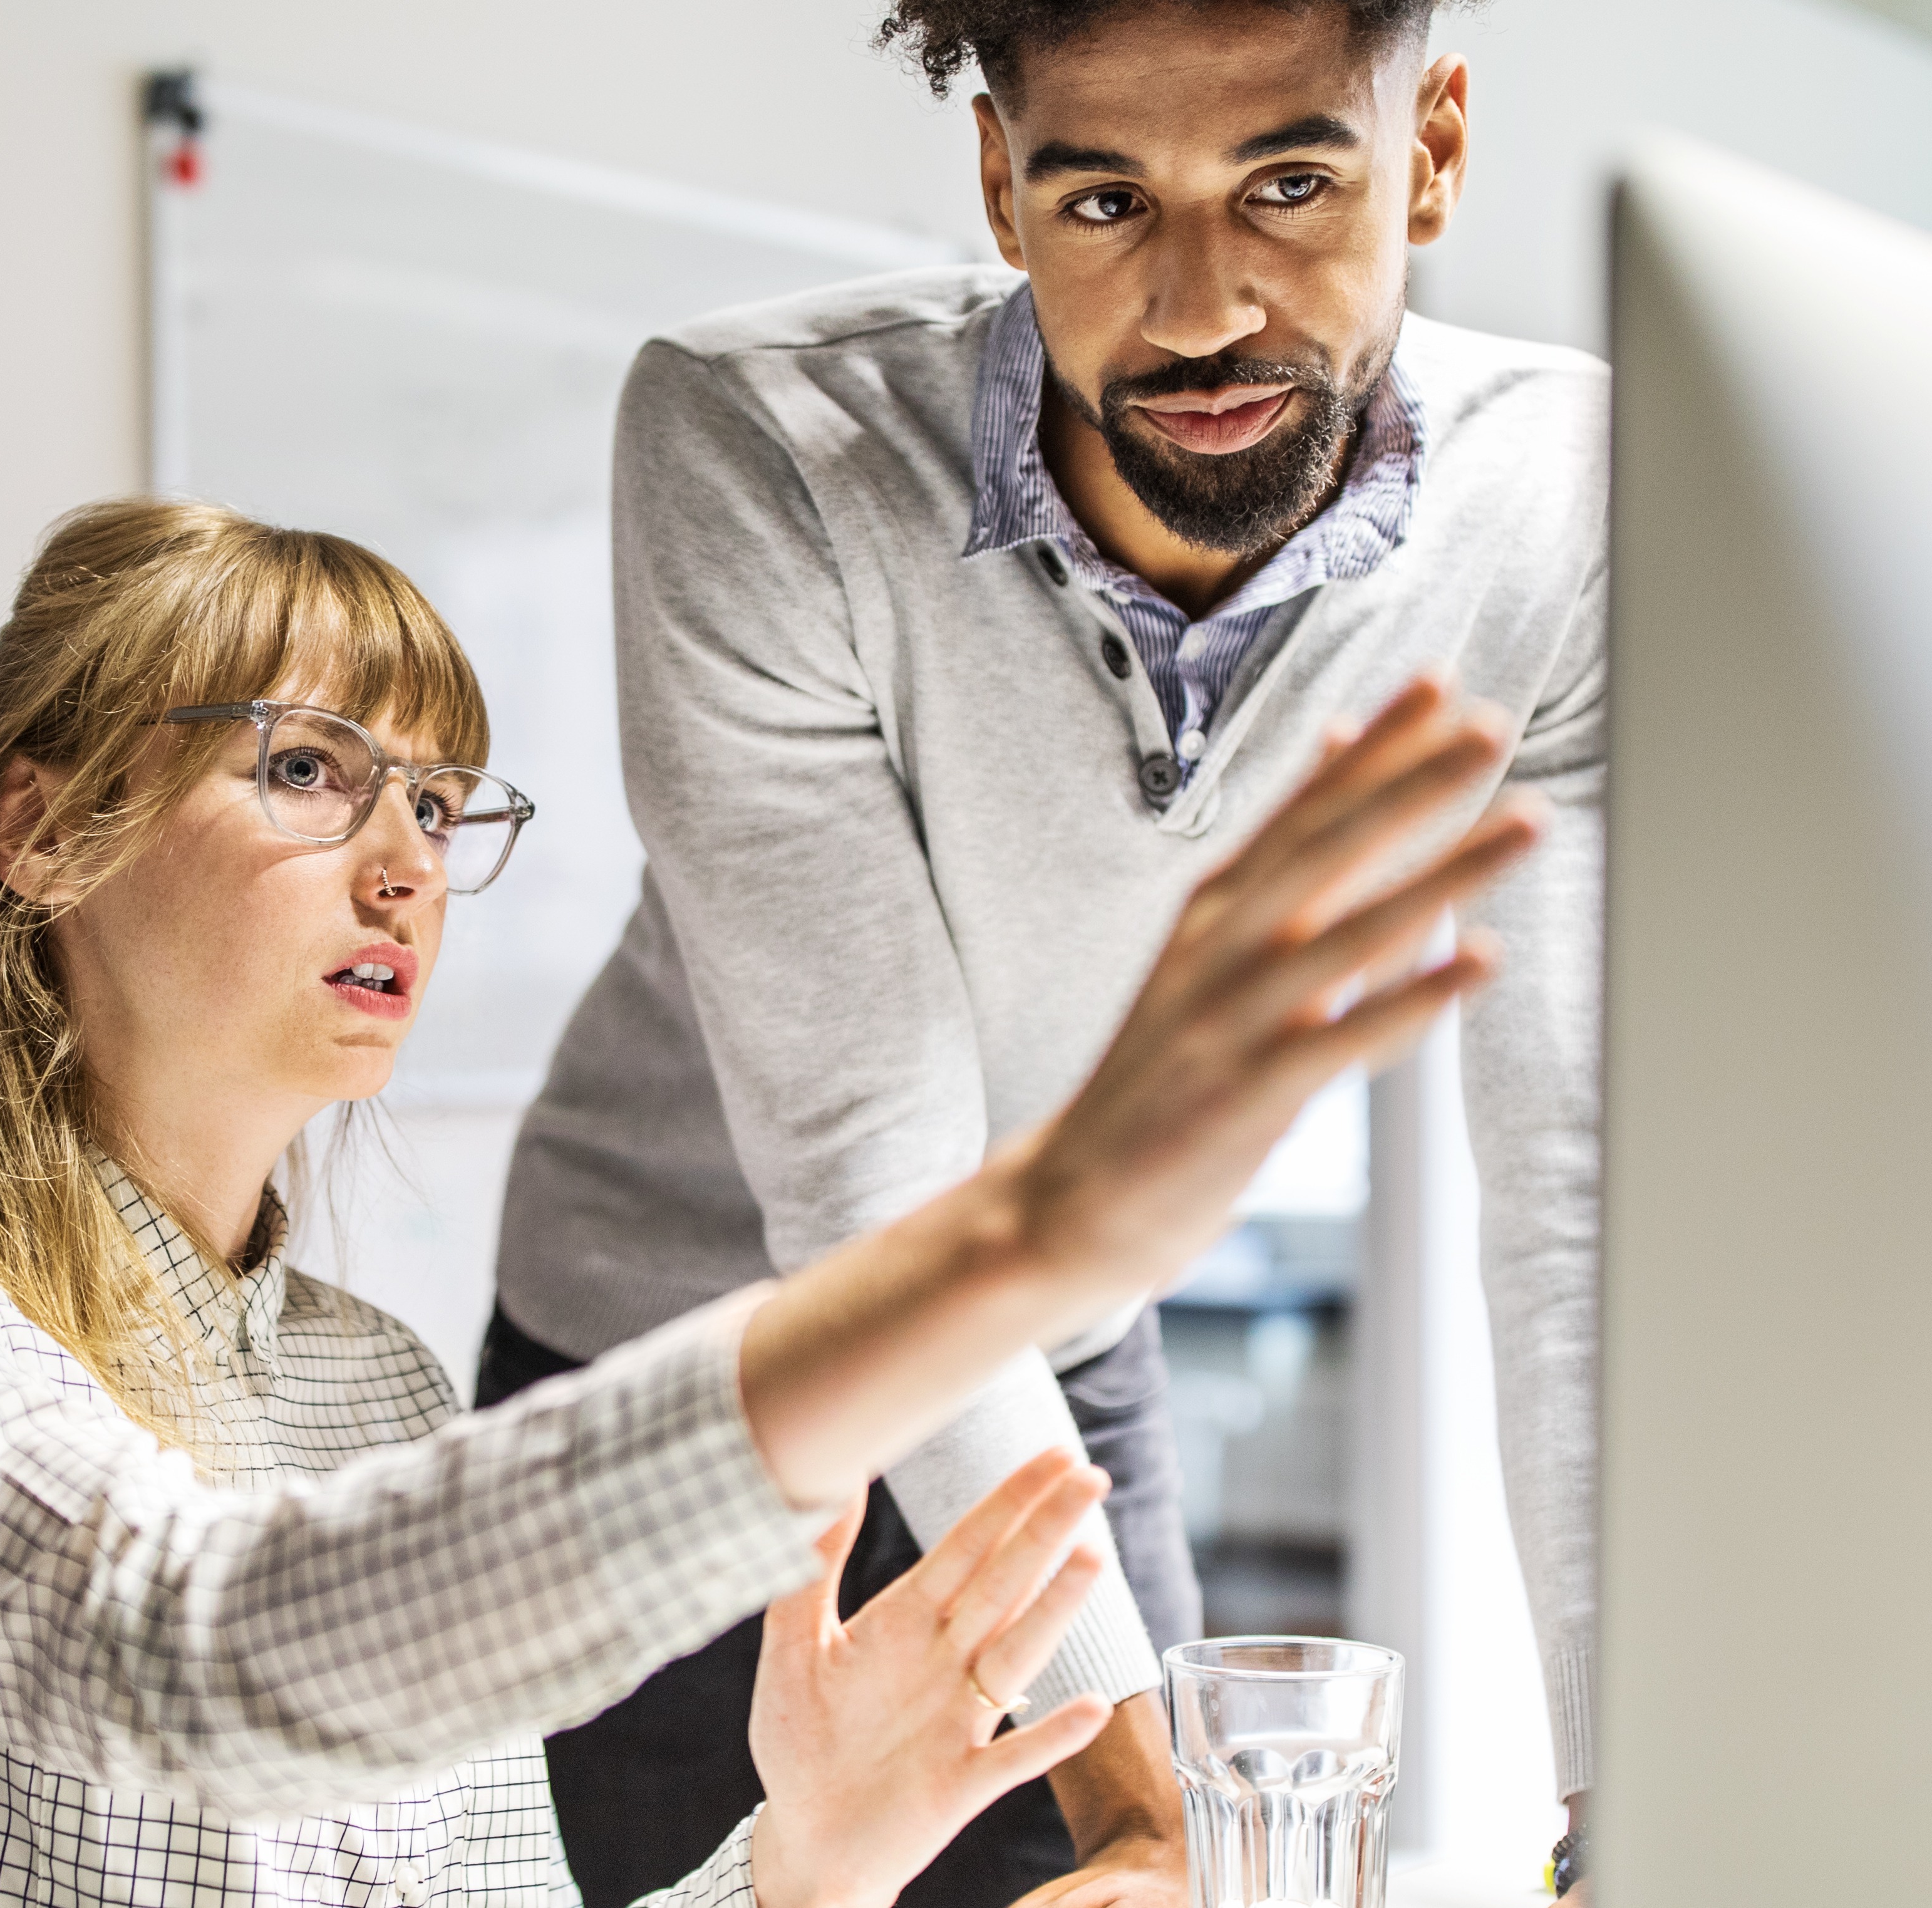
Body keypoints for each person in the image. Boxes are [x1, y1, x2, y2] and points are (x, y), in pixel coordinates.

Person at [0, 497, 1537, 1905]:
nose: (407, 864)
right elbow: (177, 1653)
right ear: (46, 827)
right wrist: (1008, 1242)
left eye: (436, 803)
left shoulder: (372, 1381)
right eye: (308, 771)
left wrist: (804, 1863)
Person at [487, 1, 1607, 1899]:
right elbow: (874, 1190)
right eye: (1106, 202)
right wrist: (1144, 1806)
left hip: (1066, 1365)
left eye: (1288, 185)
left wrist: (1619, 1790)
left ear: (1428, 152)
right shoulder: (769, 450)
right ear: (1002, 185)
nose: (1201, 311)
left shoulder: (1558, 507)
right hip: (686, 1392)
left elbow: (1577, 1193)